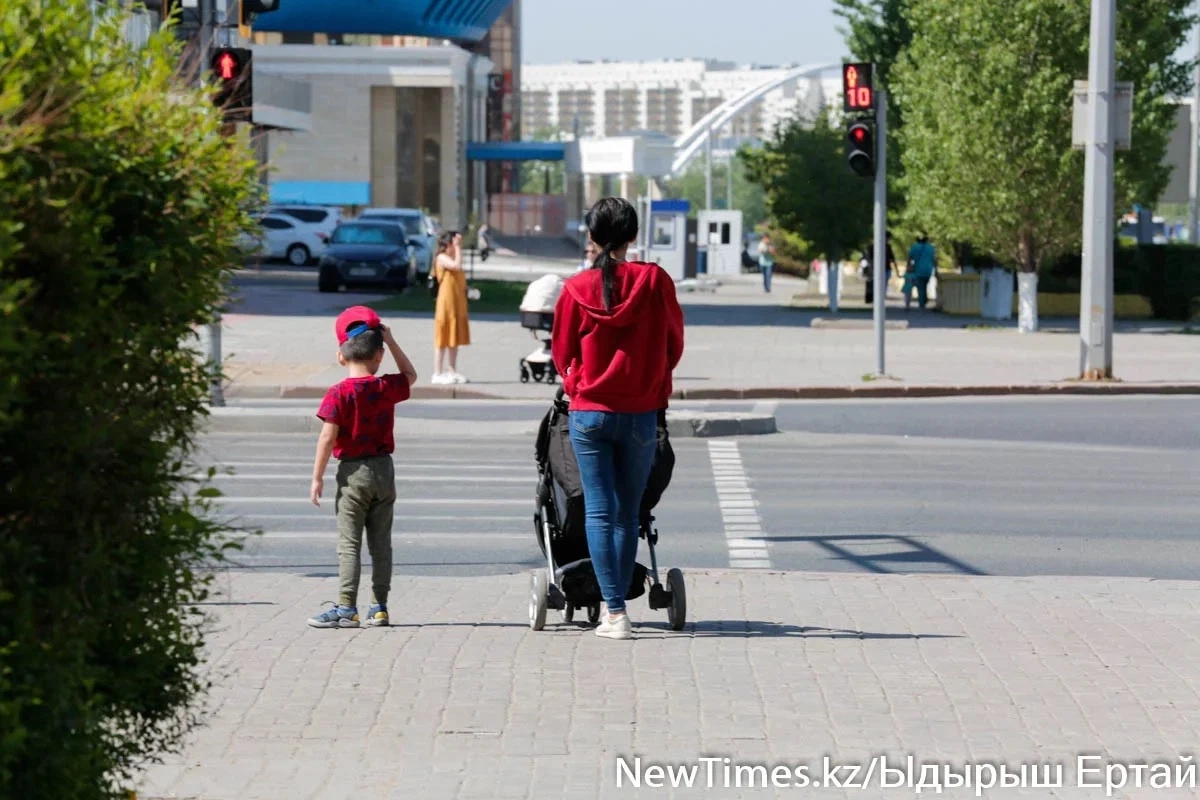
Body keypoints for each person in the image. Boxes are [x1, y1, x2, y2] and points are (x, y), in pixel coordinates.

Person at [551, 197, 685, 640]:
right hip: (641, 412)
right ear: (633, 235)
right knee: (629, 514)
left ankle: (614, 614)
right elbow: (674, 342)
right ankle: (618, 607)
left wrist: (576, 383)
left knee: (598, 512)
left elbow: (561, 352)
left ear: (591, 237)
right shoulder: (655, 281)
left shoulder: (574, 289)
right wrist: (652, 379)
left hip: (589, 411)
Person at [307, 306, 418, 629]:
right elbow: (410, 376)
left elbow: (327, 439)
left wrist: (316, 477)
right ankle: (379, 606)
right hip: (384, 471)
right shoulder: (384, 388)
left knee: (349, 544)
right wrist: (393, 341)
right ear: (379, 356)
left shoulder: (338, 394)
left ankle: (346, 606)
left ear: (341, 357)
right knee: (381, 543)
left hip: (352, 474)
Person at [431, 230, 471, 384]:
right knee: (442, 338)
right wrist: (458, 247)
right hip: (446, 303)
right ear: (448, 244)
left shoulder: (454, 257)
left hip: (457, 302)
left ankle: (452, 371)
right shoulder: (441, 257)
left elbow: (459, 275)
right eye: (454, 243)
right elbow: (456, 266)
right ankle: (437, 373)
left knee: (454, 338)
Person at [862, 232, 898, 304]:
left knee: (881, 285)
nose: (888, 240)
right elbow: (866, 258)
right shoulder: (873, 247)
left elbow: (892, 259)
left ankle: (879, 299)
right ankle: (877, 299)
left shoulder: (887, 247)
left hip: (884, 269)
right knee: (878, 285)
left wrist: (897, 270)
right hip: (876, 270)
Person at [905, 233, 937, 311]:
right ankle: (924, 301)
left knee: (921, 288)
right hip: (928, 270)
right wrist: (936, 269)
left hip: (918, 270)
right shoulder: (931, 248)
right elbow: (934, 259)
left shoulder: (914, 247)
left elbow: (910, 258)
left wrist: (908, 268)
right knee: (924, 286)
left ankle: (922, 303)